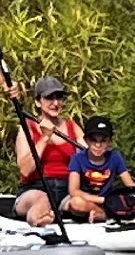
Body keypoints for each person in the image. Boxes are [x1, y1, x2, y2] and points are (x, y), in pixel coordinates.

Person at [10, 75, 85, 226]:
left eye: (59, 97)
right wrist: (44, 138)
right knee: (42, 200)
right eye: (49, 98)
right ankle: (40, 221)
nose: (55, 103)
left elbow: (92, 158)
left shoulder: (71, 126)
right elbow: (25, 170)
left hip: (67, 189)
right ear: (38, 102)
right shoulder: (27, 127)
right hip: (36, 189)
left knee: (82, 203)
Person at [65, 115, 135, 223]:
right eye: (93, 140)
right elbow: (73, 191)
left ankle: (103, 214)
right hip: (88, 200)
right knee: (75, 203)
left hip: (108, 201)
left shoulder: (114, 157)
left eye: (103, 141)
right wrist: (101, 200)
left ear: (110, 141)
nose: (98, 145)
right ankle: (106, 214)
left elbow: (130, 185)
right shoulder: (77, 158)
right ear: (86, 140)